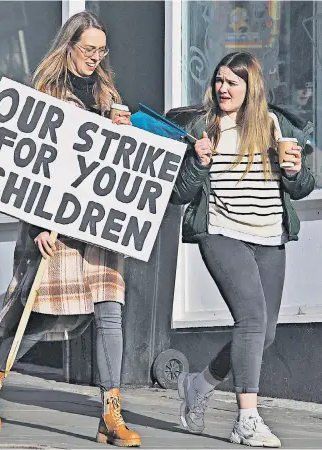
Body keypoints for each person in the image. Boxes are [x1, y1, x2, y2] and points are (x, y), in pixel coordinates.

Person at [0, 11, 141, 447]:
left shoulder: (108, 94)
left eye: (102, 50)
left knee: (110, 313)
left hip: (99, 226)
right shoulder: (45, 93)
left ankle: (110, 413)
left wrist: (127, 136)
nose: (96, 59)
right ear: (68, 47)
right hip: (56, 224)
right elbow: (31, 165)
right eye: (88, 49)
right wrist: (37, 224)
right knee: (42, 317)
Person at [168, 52, 315, 447]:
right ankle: (246, 420)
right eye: (219, 81)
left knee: (264, 333)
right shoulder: (204, 128)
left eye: (232, 82)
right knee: (250, 320)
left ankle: (198, 385)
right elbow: (179, 195)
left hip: (269, 236)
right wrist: (198, 162)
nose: (223, 88)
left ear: (252, 88)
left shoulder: (276, 125)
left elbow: (304, 188)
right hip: (221, 232)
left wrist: (295, 172)